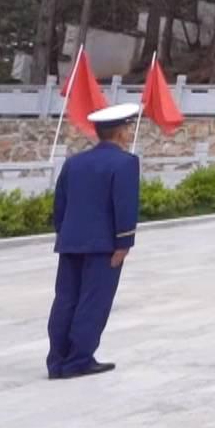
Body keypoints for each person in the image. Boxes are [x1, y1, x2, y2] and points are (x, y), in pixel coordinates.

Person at [46, 103, 142, 380]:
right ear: (120, 132)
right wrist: (124, 243)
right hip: (104, 245)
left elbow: (60, 204)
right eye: (127, 128)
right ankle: (79, 360)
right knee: (93, 302)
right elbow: (124, 205)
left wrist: (64, 233)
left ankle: (57, 360)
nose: (129, 133)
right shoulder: (125, 162)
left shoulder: (74, 162)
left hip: (71, 241)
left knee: (65, 300)